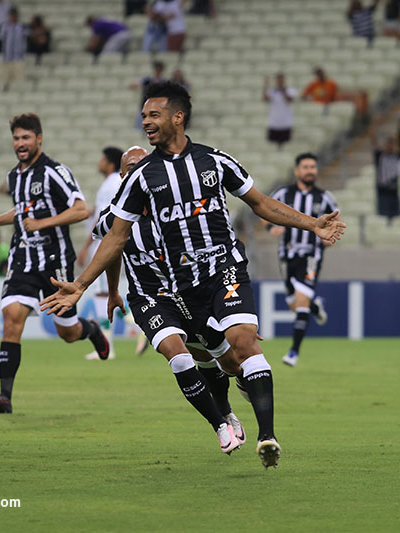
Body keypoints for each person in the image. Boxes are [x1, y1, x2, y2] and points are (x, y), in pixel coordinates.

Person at [39, 81, 346, 468]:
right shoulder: (141, 178)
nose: (146, 121)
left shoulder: (216, 161)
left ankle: (268, 437)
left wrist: (311, 224)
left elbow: (261, 203)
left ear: (178, 117)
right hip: (180, 288)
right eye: (144, 116)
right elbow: (116, 237)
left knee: (245, 342)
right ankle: (225, 418)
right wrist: (82, 285)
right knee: (219, 362)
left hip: (225, 269)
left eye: (154, 115)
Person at [88, 146, 248, 455]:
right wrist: (112, 291)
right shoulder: (114, 217)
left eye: (142, 165)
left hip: (188, 293)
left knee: (219, 361)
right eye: (130, 166)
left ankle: (226, 411)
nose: (136, 170)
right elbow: (111, 251)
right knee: (179, 357)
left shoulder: (176, 210)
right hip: (148, 298)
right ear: (122, 175)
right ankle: (219, 425)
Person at [0, 113, 109, 415]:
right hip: (22, 261)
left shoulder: (54, 171)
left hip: (55, 264)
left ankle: (93, 330)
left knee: (68, 333)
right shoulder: (13, 176)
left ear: (39, 139)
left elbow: (82, 209)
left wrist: (43, 223)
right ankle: (5, 397)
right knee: (11, 318)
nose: (20, 143)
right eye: (16, 138)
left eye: (26, 138)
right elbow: (20, 213)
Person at [268, 153, 335, 366]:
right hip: (287, 257)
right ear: (297, 171)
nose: (310, 171)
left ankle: (293, 352)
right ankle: (316, 307)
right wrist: (272, 226)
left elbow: (336, 220)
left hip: (311, 256)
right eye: (305, 167)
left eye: (313, 167)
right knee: (295, 305)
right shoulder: (283, 193)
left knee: (301, 300)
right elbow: (264, 211)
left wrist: (330, 237)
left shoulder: (324, 197)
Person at [77, 147, 124, 360]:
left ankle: (111, 344)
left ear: (110, 163)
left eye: (102, 158)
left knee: (104, 295)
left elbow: (104, 218)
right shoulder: (111, 183)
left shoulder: (111, 183)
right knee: (101, 295)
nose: (99, 162)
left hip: (104, 244)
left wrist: (86, 246)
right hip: (105, 244)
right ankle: (108, 344)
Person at [372, 132, 400, 224]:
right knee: (383, 220)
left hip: (394, 193)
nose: (390, 146)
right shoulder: (380, 155)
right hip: (383, 194)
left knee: (397, 220)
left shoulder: (397, 156)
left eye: (392, 144)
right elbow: (374, 144)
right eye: (389, 144)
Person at [263, 73, 297, 149]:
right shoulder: (273, 91)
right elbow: (265, 98)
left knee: (286, 144)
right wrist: (266, 85)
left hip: (286, 122)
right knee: (272, 144)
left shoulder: (289, 90)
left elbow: (289, 99)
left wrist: (282, 90)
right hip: (274, 122)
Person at [130, 61, 166, 130]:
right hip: (146, 106)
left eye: (159, 69)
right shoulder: (147, 80)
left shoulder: (164, 82)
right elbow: (136, 84)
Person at [0, 7, 28, 91]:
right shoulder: (4, 26)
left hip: (19, 58)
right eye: (12, 15)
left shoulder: (22, 26)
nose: (13, 17)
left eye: (15, 15)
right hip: (6, 58)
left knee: (19, 82)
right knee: (5, 81)